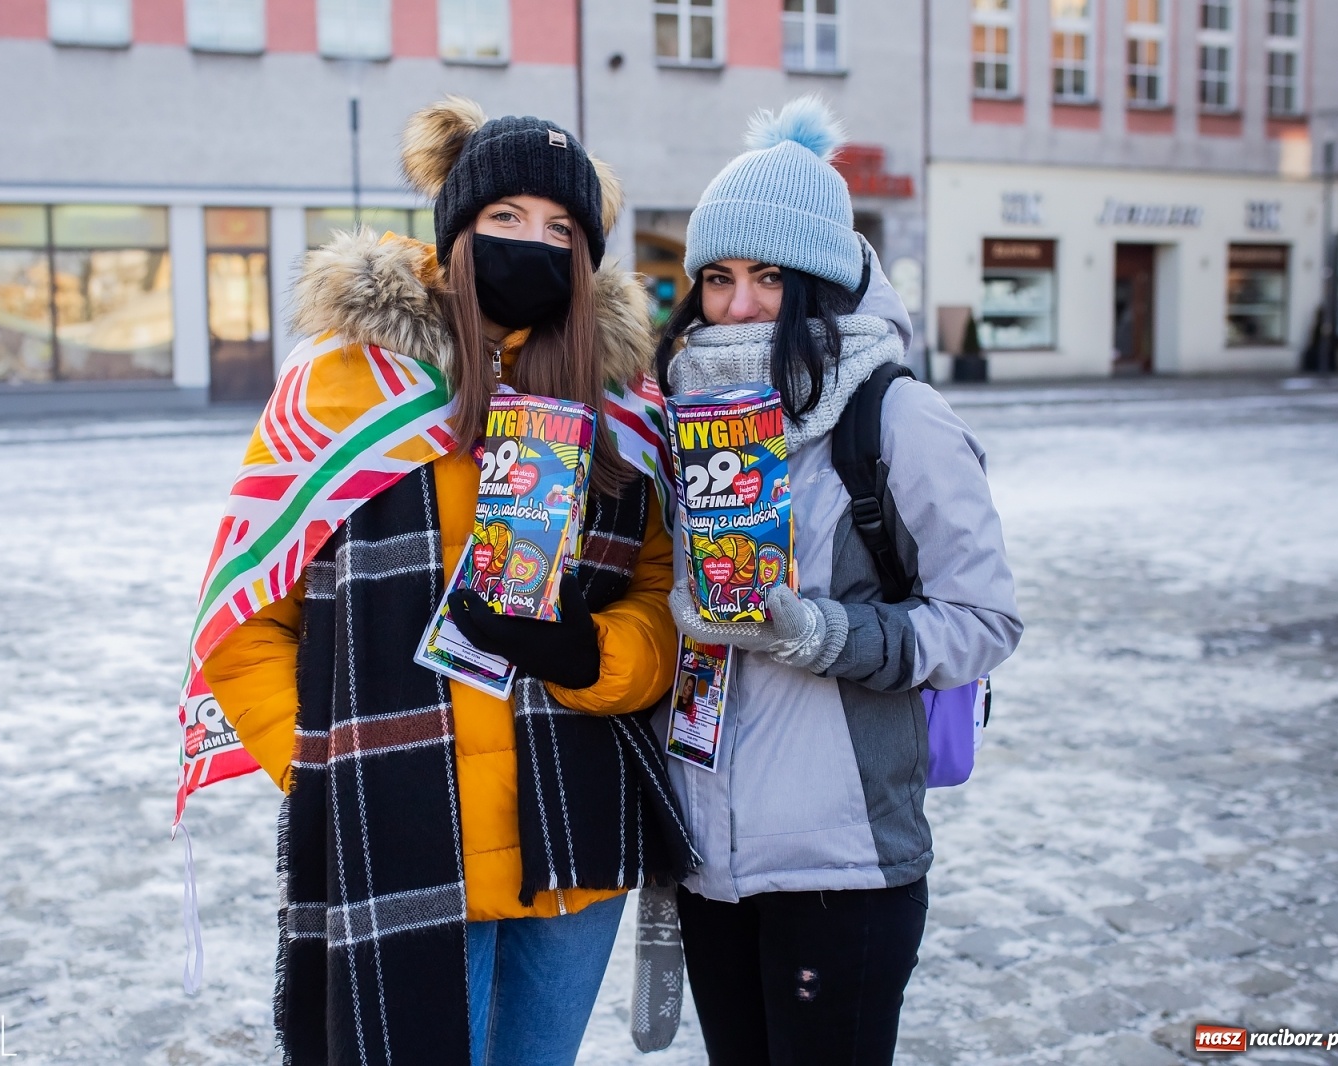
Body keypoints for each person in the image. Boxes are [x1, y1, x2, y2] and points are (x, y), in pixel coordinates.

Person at [194, 97, 696, 1066]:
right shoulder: (342, 387)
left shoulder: (621, 405)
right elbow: (243, 617)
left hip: (575, 842)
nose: (534, 244)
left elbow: (664, 608)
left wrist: (591, 654)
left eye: (562, 229)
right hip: (404, 829)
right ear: (455, 230)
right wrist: (324, 773)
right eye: (506, 218)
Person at [655, 96, 1024, 1066]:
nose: (736, 306)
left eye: (769, 277)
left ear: (820, 281)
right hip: (708, 858)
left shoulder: (896, 418)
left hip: (843, 861)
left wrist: (823, 632)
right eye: (719, 278)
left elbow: (984, 619)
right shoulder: (679, 418)